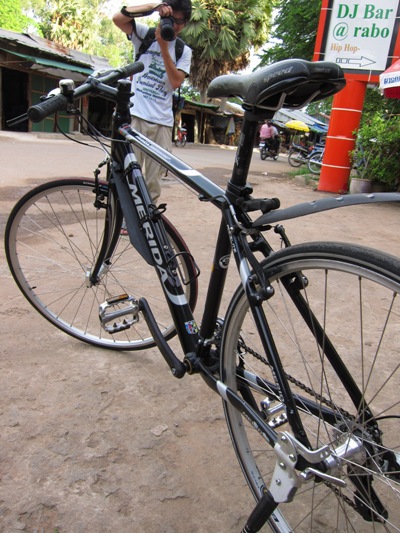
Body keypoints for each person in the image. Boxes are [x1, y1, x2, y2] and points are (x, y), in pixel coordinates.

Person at [112, 1, 192, 203]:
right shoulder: (144, 35)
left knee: (153, 182)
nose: (174, 26)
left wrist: (164, 47)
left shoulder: (183, 50)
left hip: (162, 123)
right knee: (129, 175)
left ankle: (149, 219)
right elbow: (118, 19)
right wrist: (154, 6)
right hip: (136, 116)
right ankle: (126, 217)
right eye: (171, 19)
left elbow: (175, 82)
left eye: (179, 21)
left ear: (186, 23)